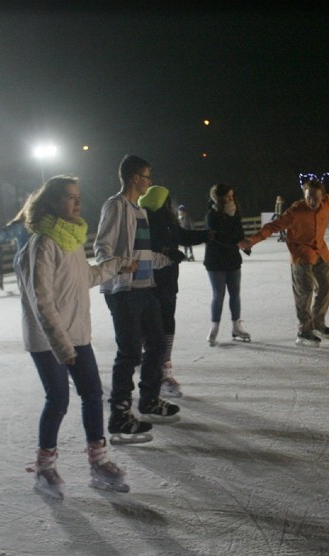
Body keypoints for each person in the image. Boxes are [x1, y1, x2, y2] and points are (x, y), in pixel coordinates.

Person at [17, 175, 136, 498]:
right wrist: (61, 344)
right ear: (52, 203)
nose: (77, 202)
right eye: (70, 197)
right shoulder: (43, 244)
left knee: (93, 395)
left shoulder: (69, 239)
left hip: (76, 333)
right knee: (58, 399)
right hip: (48, 339)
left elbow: (85, 278)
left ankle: (98, 462)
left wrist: (116, 266)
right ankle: (44, 467)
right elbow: (41, 300)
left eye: (78, 196)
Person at [93, 154, 180, 443]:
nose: (150, 181)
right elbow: (102, 245)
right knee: (129, 351)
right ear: (134, 178)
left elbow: (141, 253)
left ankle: (149, 399)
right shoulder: (115, 205)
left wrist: (165, 258)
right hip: (123, 291)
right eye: (146, 176)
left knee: (156, 344)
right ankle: (119, 413)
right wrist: (117, 264)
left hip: (145, 287)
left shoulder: (139, 211)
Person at [238, 179, 329, 346]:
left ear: (322, 195)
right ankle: (304, 330)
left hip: (321, 253)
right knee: (305, 292)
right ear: (304, 195)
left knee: (326, 289)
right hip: (301, 255)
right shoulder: (295, 211)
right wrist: (252, 240)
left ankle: (317, 322)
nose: (312, 201)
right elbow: (272, 227)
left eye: (316, 197)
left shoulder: (327, 202)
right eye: (309, 197)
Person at [139, 186, 212, 397]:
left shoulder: (169, 222)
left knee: (167, 325)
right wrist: (167, 252)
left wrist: (206, 235)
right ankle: (156, 373)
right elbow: (142, 247)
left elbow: (183, 236)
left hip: (169, 281)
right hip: (151, 283)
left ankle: (165, 371)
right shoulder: (143, 220)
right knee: (155, 330)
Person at [203, 183, 251, 346]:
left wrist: (245, 244)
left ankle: (236, 326)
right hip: (216, 260)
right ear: (219, 197)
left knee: (235, 293)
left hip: (232, 259)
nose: (231, 199)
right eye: (227, 196)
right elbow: (217, 237)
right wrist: (234, 241)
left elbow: (239, 232)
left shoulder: (235, 211)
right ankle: (214, 327)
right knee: (218, 294)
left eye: (232, 195)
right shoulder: (212, 214)